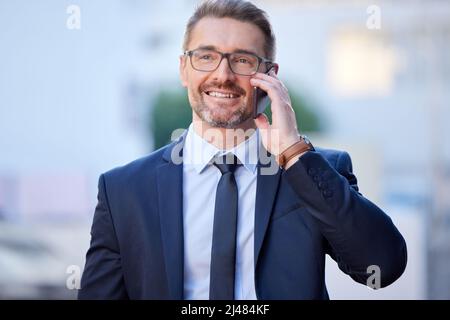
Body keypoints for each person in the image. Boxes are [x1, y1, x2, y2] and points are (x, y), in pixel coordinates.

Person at [78, 0, 407, 300]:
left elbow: (381, 267)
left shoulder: (316, 171)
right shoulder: (123, 191)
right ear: (183, 69)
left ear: (269, 76)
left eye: (242, 60)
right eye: (206, 56)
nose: (223, 75)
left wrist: (294, 153)